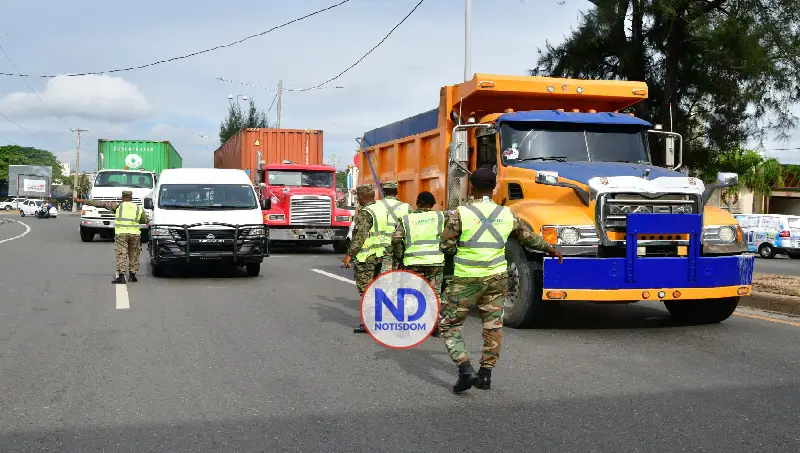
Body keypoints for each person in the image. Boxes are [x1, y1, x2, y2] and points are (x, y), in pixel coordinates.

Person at [439, 168, 564, 394]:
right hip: (497, 278)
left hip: (466, 279)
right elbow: (529, 238)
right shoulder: (507, 215)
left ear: (472, 188)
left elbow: (446, 247)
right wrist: (551, 249)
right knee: (493, 326)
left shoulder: (459, 214)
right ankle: (486, 374)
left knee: (449, 325)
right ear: (494, 188)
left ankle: (465, 369)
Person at [391, 191, 445, 337]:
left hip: (412, 261)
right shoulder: (441, 216)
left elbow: (396, 239)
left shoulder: (407, 219)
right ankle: (436, 327)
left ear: (417, 203)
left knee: (410, 294)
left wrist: (400, 256)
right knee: (433, 294)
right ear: (433, 205)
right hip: (435, 262)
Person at [73, 191, 148, 284]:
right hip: (135, 234)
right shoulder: (138, 208)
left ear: (122, 198)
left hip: (121, 234)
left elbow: (100, 204)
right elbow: (145, 220)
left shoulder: (117, 206)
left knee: (121, 254)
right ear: (131, 198)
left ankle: (121, 277)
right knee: (134, 254)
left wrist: (81, 200)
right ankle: (132, 275)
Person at [341, 184, 385, 334]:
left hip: (367, 257)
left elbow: (360, 237)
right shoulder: (381, 208)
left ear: (360, 197)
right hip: (381, 255)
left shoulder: (366, 213)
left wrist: (349, 255)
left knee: (367, 292)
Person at [376, 181, 410, 272]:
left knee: (384, 270)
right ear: (397, 192)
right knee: (397, 269)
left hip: (380, 243)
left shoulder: (376, 206)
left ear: (383, 191)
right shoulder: (406, 207)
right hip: (399, 244)